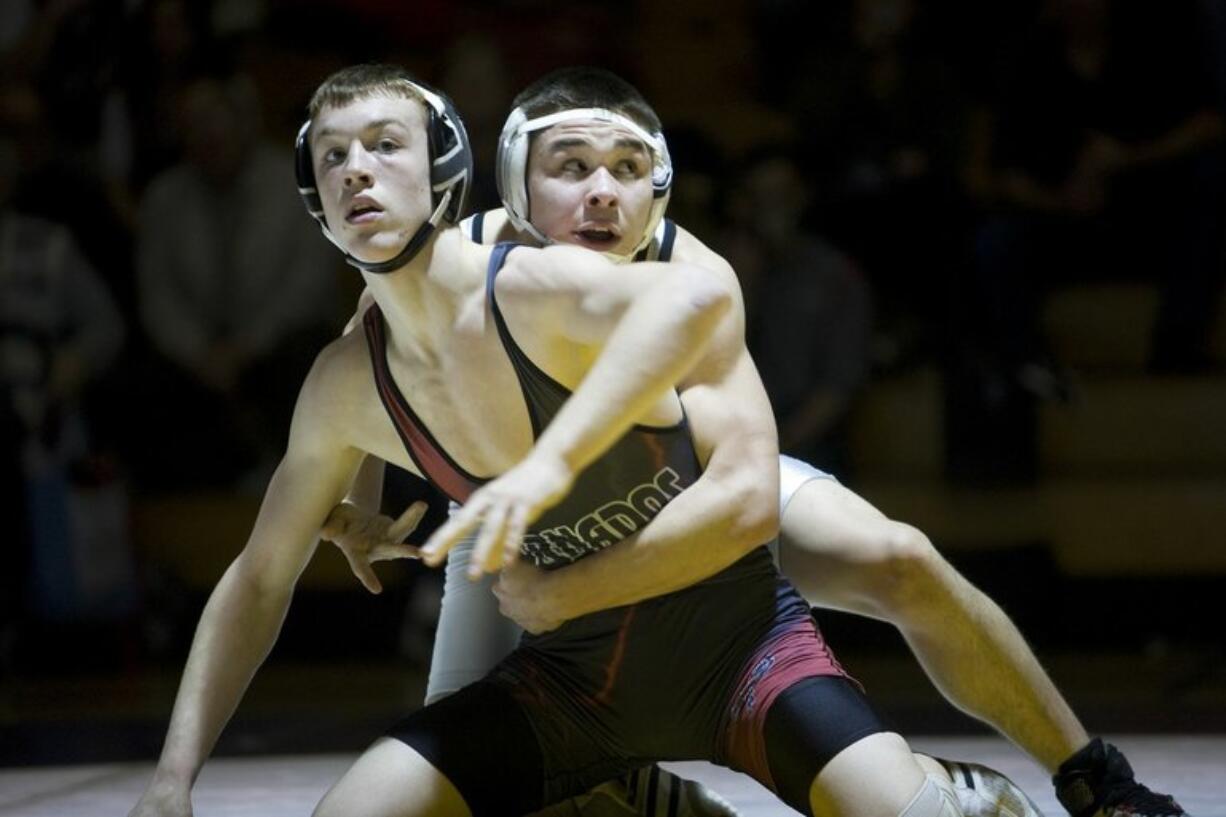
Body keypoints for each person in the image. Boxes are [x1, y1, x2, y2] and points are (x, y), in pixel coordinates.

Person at [129, 63, 993, 817]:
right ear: (315, 201)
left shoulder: (534, 279)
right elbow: (258, 577)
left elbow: (693, 301)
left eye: (385, 145)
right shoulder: (343, 382)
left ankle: (992, 784)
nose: (357, 170)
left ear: (445, 168)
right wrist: (172, 778)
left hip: (736, 650)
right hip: (573, 681)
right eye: (333, 155)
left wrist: (547, 462)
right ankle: (639, 793)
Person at [322, 67, 1187, 817]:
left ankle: (1092, 777)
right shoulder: (465, 254)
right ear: (513, 182)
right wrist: (359, 498)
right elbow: (370, 344)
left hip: (681, 489)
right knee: (469, 780)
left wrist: (572, 588)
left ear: (658, 187)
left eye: (628, 170)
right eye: (573, 167)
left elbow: (740, 498)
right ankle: (628, 785)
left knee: (897, 557)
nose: (601, 193)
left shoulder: (691, 278)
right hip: (532, 519)